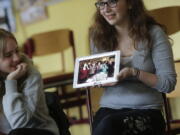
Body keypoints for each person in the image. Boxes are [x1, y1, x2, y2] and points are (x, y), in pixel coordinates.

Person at [89, 0, 177, 135]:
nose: (105, 9)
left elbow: (168, 84)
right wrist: (92, 79)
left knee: (109, 125)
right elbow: (101, 78)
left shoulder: (154, 33)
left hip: (147, 111)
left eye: (112, 2)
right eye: (101, 3)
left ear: (130, 3)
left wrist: (134, 72)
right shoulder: (98, 37)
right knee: (105, 123)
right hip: (107, 110)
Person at [0, 29, 59, 135]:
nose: (17, 58)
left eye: (17, 50)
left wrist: (10, 83)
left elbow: (20, 125)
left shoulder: (31, 74)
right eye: (8, 55)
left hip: (41, 131)